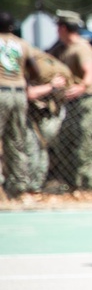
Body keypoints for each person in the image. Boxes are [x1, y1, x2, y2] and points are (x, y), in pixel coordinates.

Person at [50, 10, 92, 191]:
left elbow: (90, 73)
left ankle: (90, 187)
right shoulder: (62, 49)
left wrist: (81, 87)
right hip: (71, 104)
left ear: (63, 28)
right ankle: (71, 184)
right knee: (64, 142)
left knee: (85, 145)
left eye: (58, 27)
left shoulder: (81, 48)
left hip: (86, 102)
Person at [0, 12, 40, 197]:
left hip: (1, 91)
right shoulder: (22, 44)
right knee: (16, 139)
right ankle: (19, 185)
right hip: (18, 93)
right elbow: (35, 71)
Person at [24, 47, 69, 192]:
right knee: (40, 149)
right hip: (46, 113)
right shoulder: (54, 68)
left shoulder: (32, 70)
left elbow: (30, 94)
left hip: (43, 114)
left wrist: (50, 86)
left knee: (35, 148)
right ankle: (36, 183)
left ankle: (32, 184)